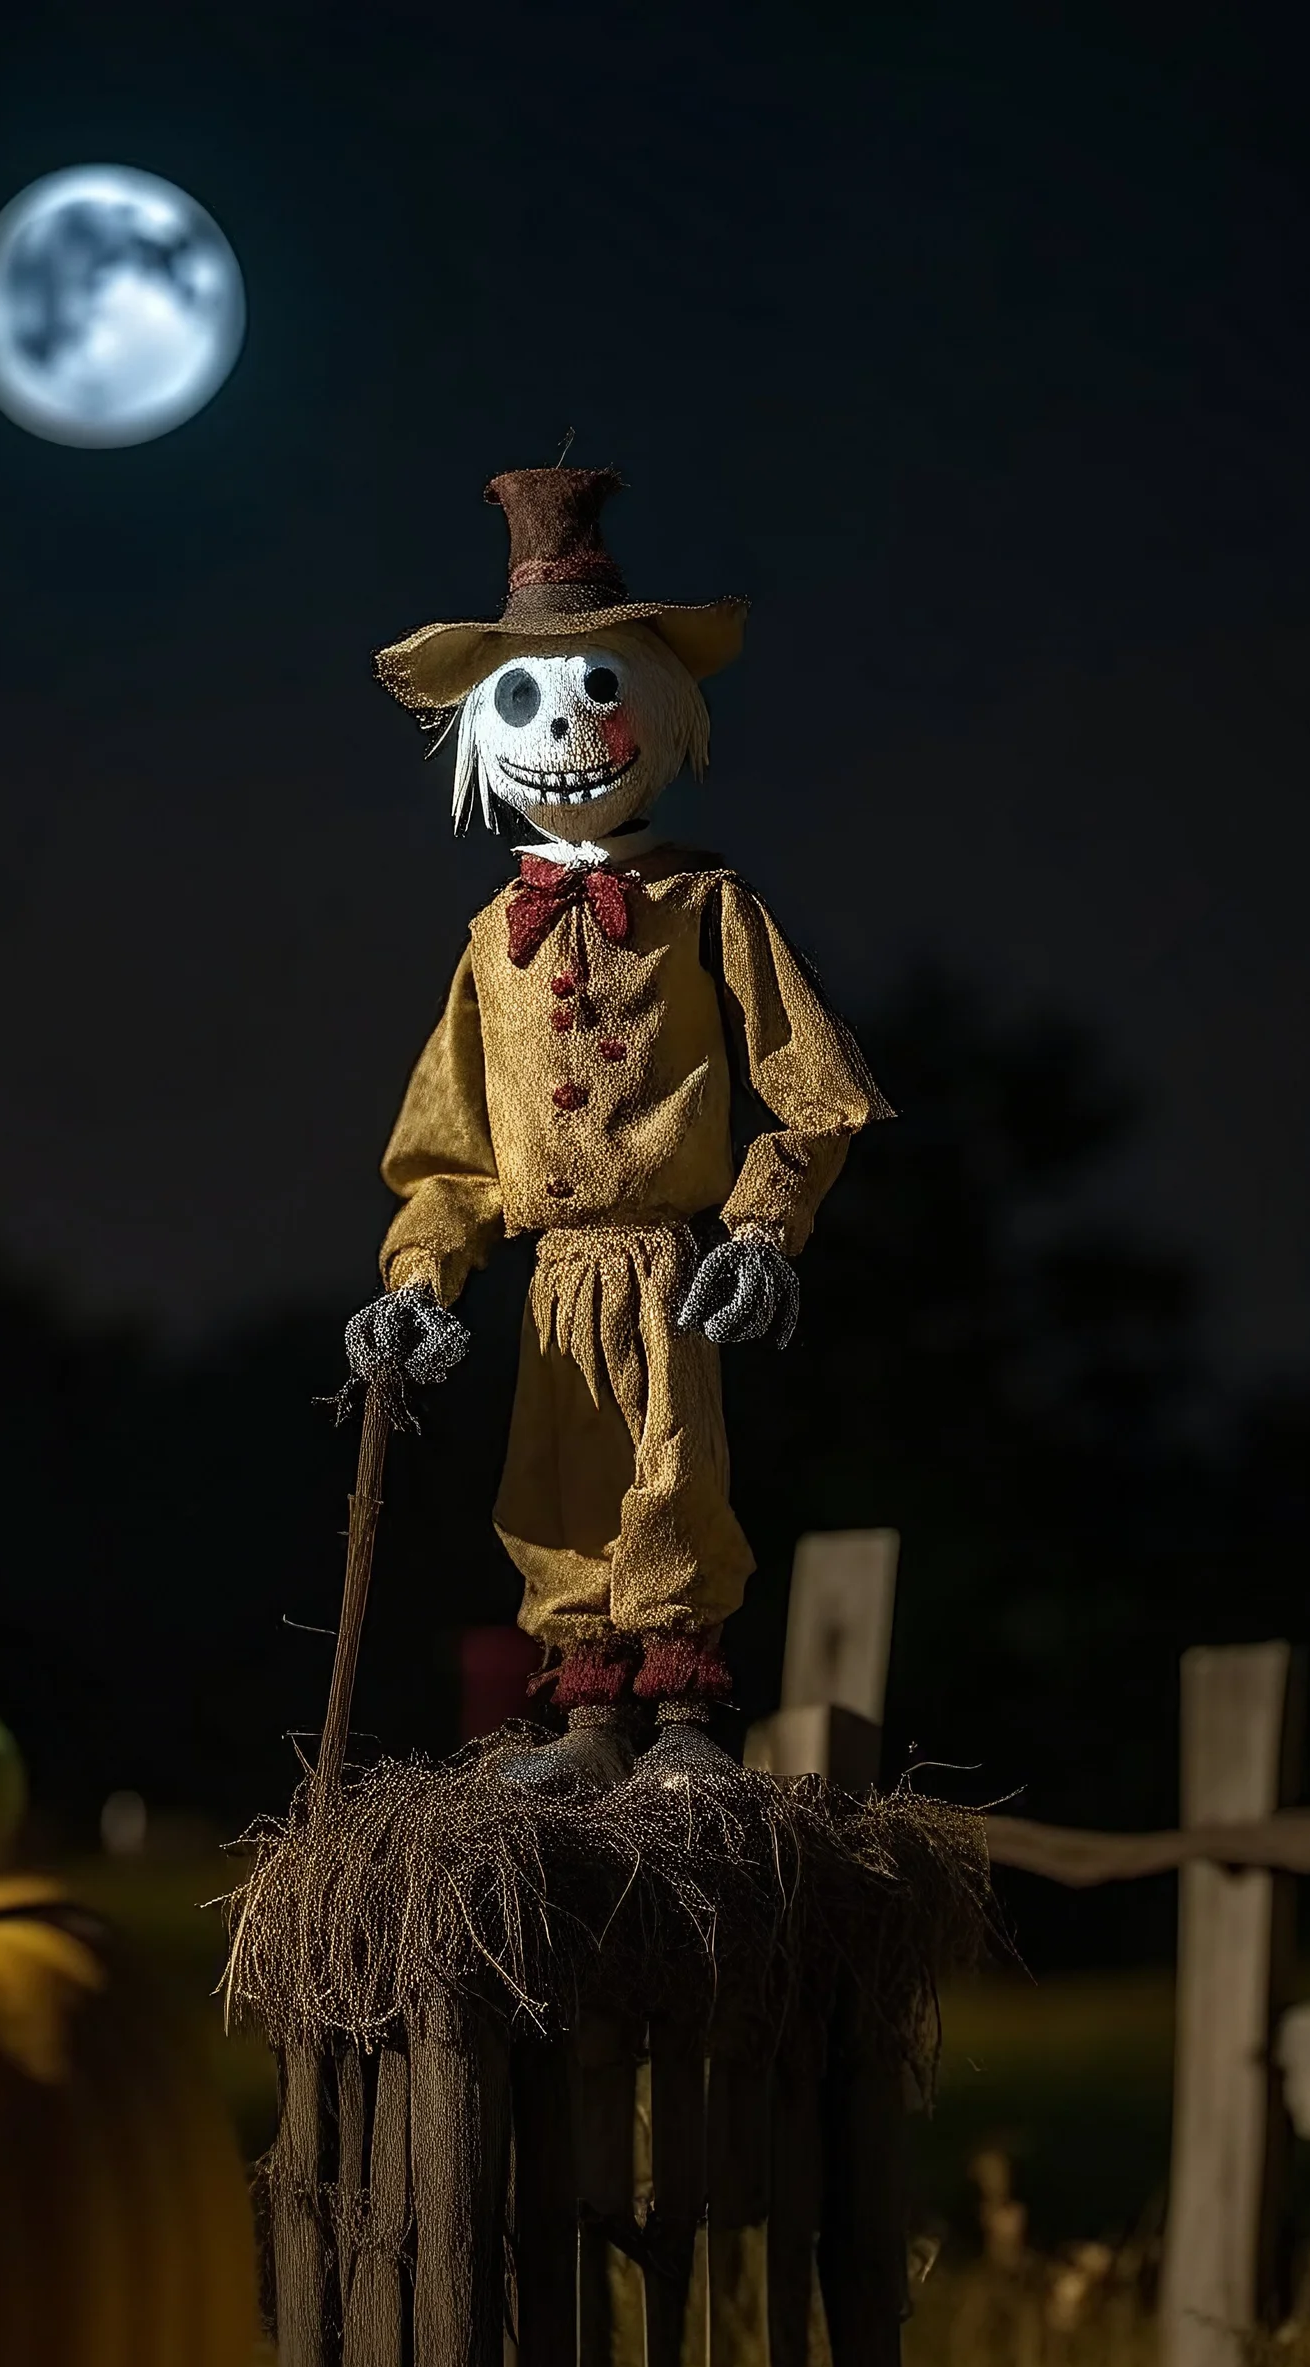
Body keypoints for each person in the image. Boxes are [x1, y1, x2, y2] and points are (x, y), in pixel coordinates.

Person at [345, 467, 887, 1791]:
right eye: (525, 696)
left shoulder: (708, 907)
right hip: (553, 1278)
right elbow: (452, 1144)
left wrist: (763, 1226)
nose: (566, 727)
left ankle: (688, 1726)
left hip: (666, 1258)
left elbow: (813, 1084)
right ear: (482, 727)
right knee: (555, 1485)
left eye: (597, 689)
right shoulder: (489, 944)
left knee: (671, 1478)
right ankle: (591, 1723)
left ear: (656, 709)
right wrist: (420, 1275)